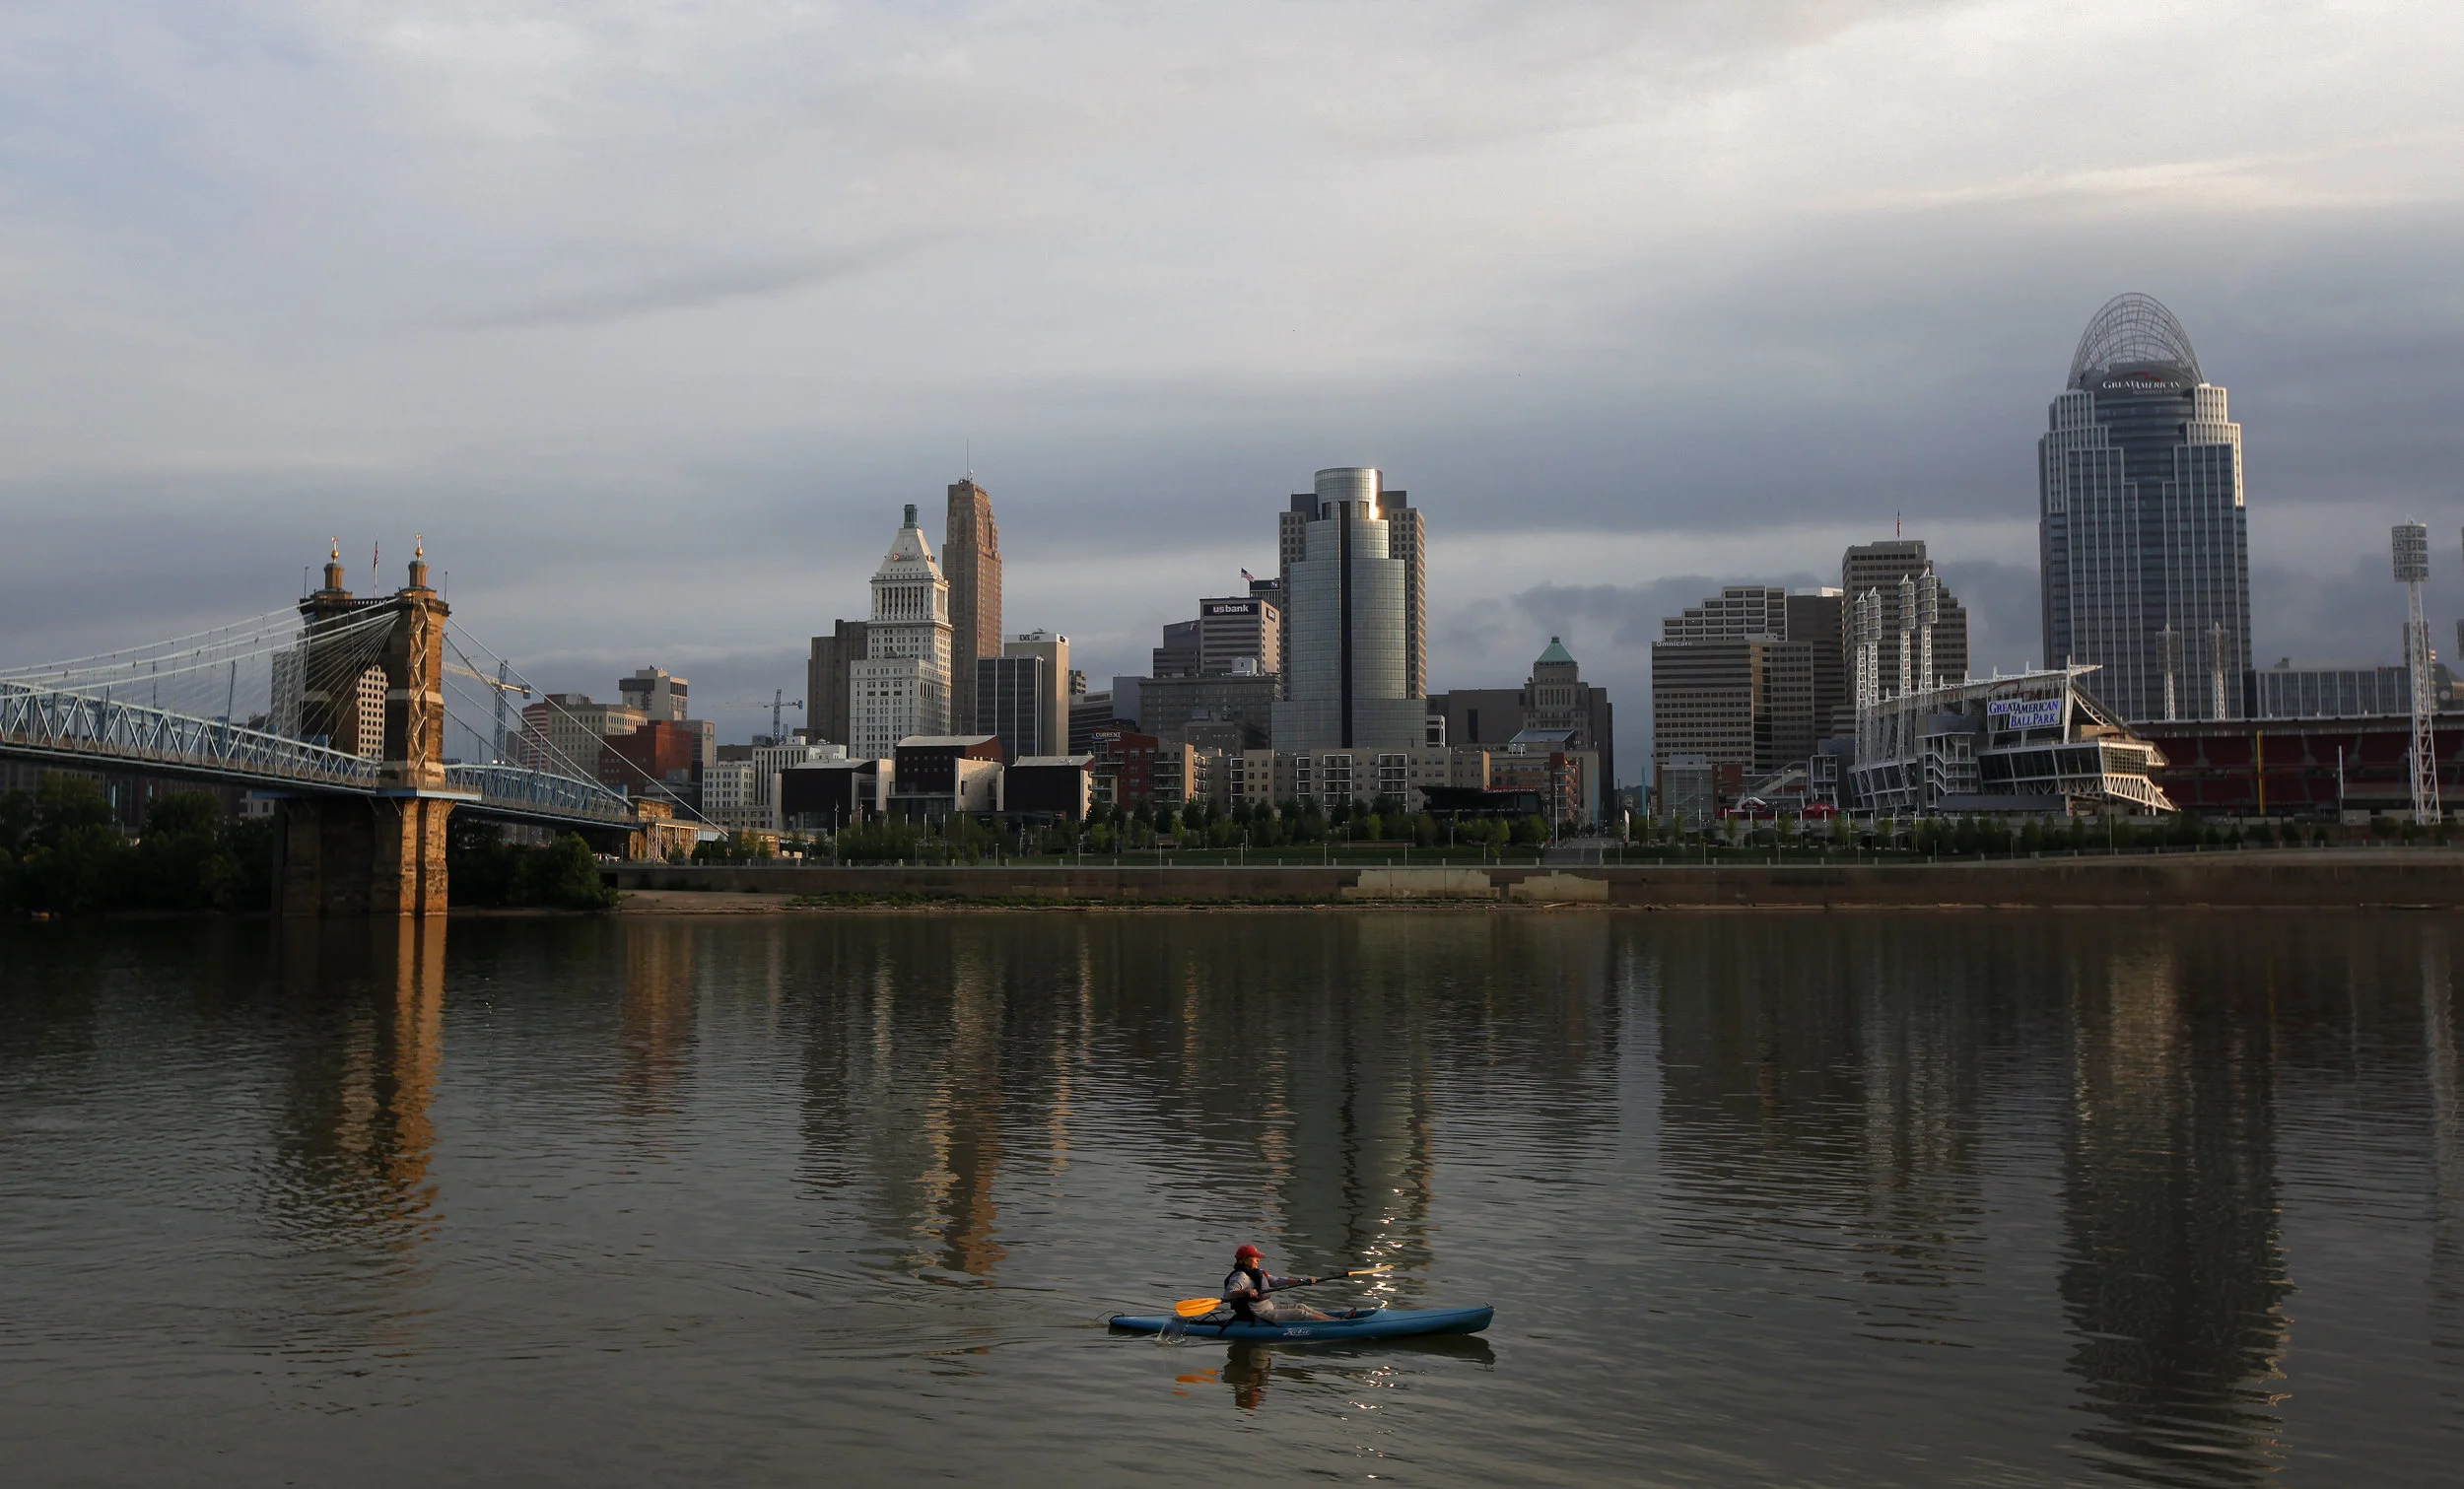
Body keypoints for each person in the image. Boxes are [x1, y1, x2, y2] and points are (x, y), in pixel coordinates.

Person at [1219, 1243, 1333, 1324]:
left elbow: (1277, 1281)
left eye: (1258, 1258)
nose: (1258, 1260)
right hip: (1257, 1315)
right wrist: (1246, 1291)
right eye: (1255, 1257)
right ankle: (1334, 1324)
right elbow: (1228, 1295)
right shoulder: (1240, 1277)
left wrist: (1301, 1281)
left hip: (1269, 1308)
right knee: (1300, 1313)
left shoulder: (1256, 1273)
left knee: (1301, 1306)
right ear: (1243, 1260)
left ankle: (1336, 1321)